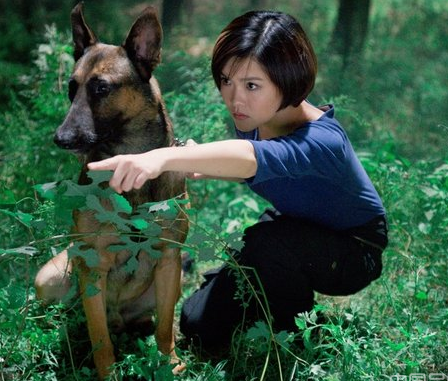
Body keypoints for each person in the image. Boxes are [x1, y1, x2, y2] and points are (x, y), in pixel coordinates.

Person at [87, 10, 388, 352]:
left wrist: (162, 157)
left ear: (288, 78)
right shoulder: (254, 118)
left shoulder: (322, 141)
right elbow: (247, 161)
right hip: (295, 228)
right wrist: (200, 161)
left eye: (252, 85)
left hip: (354, 249)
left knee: (268, 246)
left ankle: (299, 336)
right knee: (196, 322)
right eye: (227, 80)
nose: (234, 98)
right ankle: (269, 297)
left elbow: (252, 157)